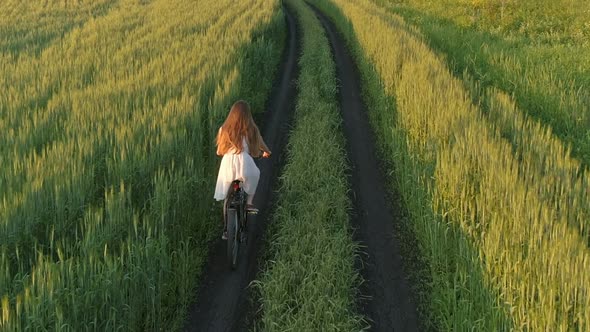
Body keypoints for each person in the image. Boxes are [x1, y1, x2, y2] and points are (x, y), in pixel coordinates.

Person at [214, 100, 271, 238]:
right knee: (255, 173)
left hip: (227, 165)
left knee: (228, 198)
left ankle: (226, 231)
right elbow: (260, 145)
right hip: (245, 163)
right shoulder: (251, 130)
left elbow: (219, 152)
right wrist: (266, 151)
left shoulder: (224, 129)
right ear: (247, 115)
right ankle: (249, 203)